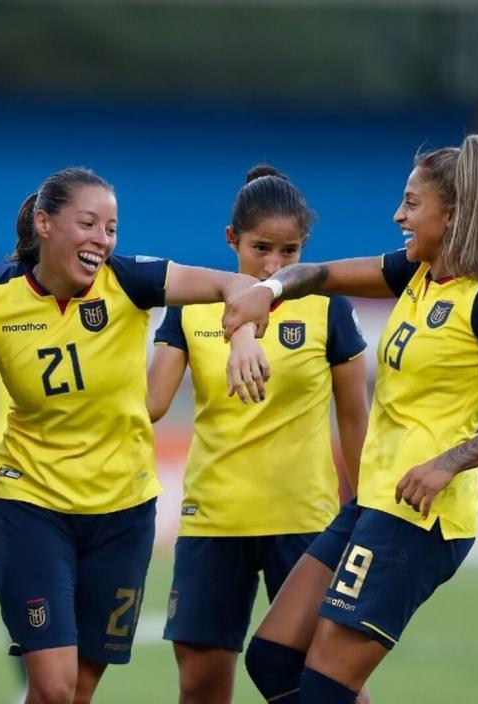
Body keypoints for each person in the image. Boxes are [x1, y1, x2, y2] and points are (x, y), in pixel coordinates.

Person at [0, 167, 271, 704]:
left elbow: (237, 284)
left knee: (76, 691)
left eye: (111, 228)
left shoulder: (129, 280)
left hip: (122, 514)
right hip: (31, 507)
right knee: (53, 688)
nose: (102, 239)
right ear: (45, 224)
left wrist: (241, 338)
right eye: (89, 223)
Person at [225, 135, 478, 704]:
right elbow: (322, 275)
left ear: (449, 214)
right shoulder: (416, 274)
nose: (398, 215)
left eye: (411, 203)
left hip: (418, 517)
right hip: (374, 502)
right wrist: (271, 289)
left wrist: (448, 463)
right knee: (274, 657)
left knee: (327, 683)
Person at [146, 166, 369, 704]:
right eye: (260, 248)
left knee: (314, 682)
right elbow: (150, 405)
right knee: (200, 686)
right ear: (231, 240)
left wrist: (365, 508)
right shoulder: (192, 306)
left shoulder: (328, 308)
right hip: (214, 518)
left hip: (305, 522)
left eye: (289, 251)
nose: (274, 266)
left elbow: (355, 415)